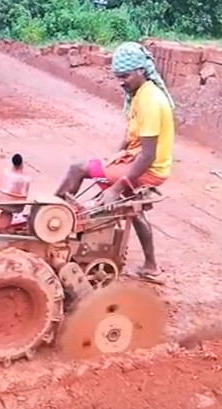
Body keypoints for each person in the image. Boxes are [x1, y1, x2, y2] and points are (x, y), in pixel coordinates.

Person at [54, 42, 176, 284]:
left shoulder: (151, 101)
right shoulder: (141, 93)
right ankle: (151, 266)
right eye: (118, 76)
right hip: (139, 160)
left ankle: (50, 219)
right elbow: (132, 135)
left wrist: (116, 187)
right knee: (130, 204)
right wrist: (117, 155)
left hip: (148, 168)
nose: (121, 81)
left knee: (78, 168)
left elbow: (148, 156)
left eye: (125, 76)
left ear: (141, 70)